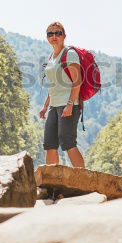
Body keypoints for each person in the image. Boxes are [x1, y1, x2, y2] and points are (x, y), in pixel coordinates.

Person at [39, 21, 86, 168]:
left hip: (68, 104)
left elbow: (77, 82)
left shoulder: (69, 54)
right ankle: (51, 182)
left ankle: (83, 180)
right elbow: (54, 84)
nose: (54, 36)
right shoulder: (51, 57)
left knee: (68, 142)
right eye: (50, 34)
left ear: (64, 36)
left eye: (58, 33)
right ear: (47, 37)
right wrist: (45, 106)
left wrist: (70, 105)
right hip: (54, 105)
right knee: (50, 143)